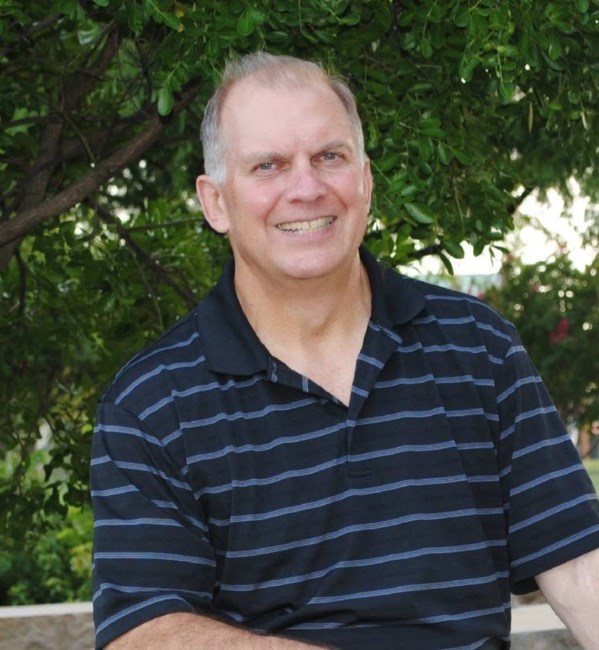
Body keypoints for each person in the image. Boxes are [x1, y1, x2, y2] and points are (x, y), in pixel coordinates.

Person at [91, 52, 599, 650]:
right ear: (216, 202)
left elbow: (578, 565)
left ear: (365, 180)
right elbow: (142, 631)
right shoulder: (152, 403)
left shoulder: (477, 347)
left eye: (329, 157)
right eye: (268, 165)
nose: (306, 188)